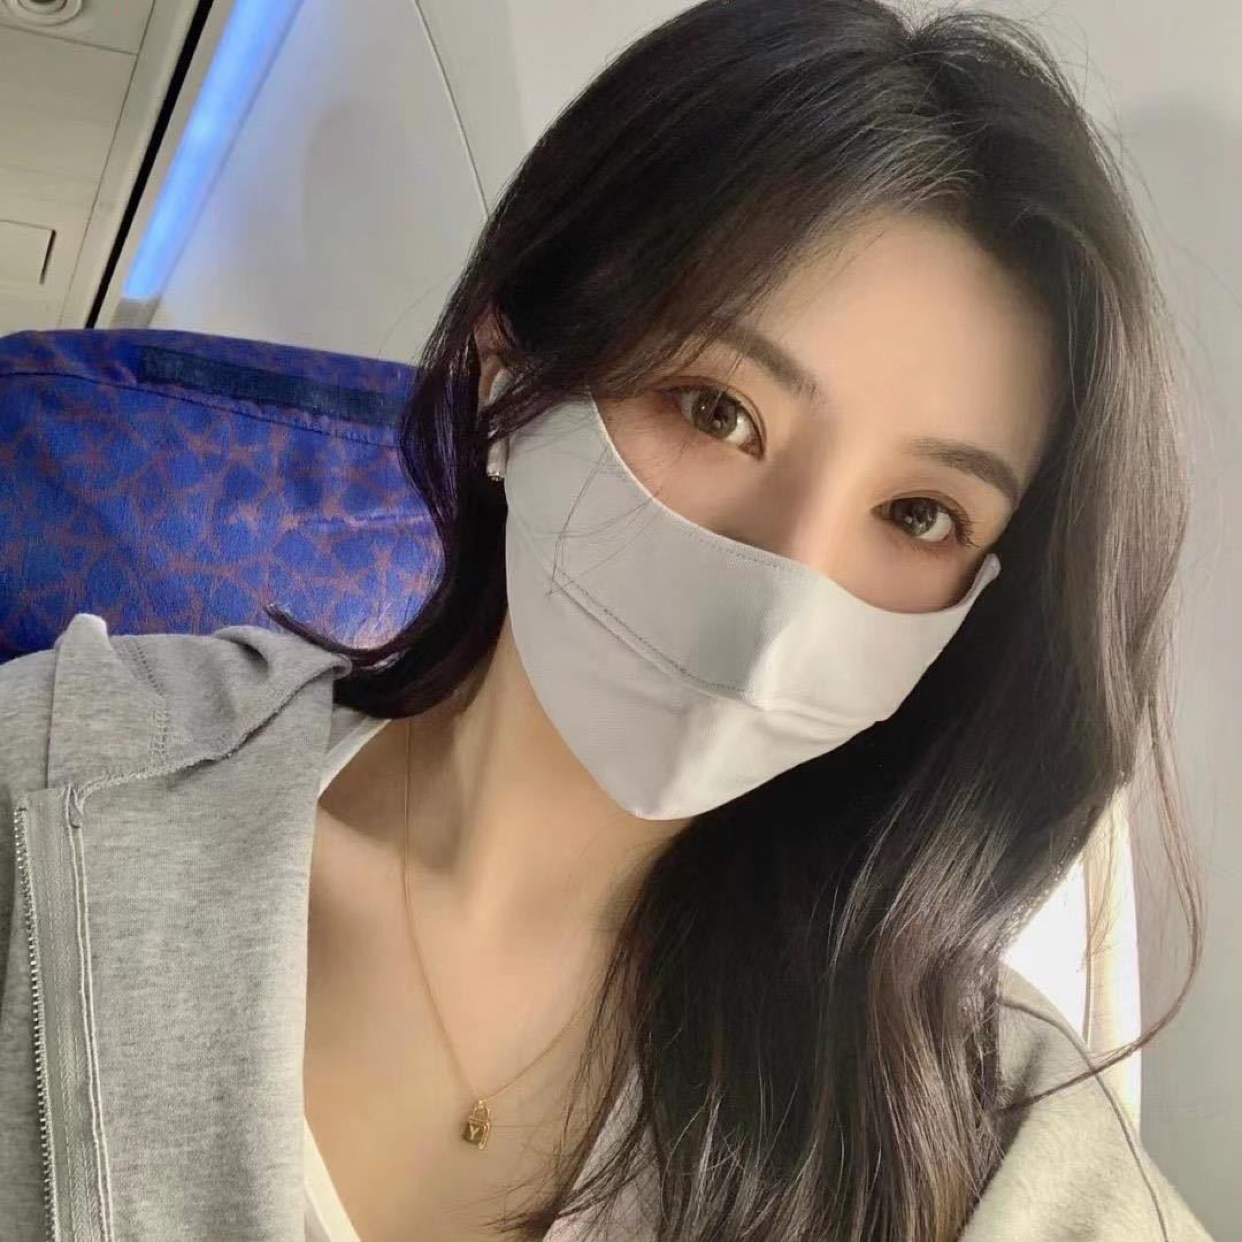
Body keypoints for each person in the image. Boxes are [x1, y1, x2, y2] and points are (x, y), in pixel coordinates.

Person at [0, 1, 1213, 1240]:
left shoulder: (980, 1119)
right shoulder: (77, 772)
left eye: (918, 514)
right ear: (508, 366)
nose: (784, 590)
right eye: (716, 410)